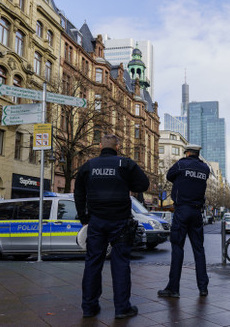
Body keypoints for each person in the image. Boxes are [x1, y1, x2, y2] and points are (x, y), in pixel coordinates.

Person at [74, 134, 149, 319]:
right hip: (120, 221)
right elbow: (144, 184)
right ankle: (122, 308)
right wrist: (126, 183)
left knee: (93, 263)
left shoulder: (88, 166)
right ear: (118, 147)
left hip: (96, 221)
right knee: (121, 263)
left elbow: (78, 193)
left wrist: (84, 218)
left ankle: (89, 307)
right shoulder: (125, 164)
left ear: (100, 146)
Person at [158, 144, 210, 298]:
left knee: (177, 248)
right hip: (196, 212)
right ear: (198, 153)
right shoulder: (205, 168)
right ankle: (203, 288)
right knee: (199, 250)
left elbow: (169, 176)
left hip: (182, 211)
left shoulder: (181, 164)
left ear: (187, 153)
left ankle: (173, 288)